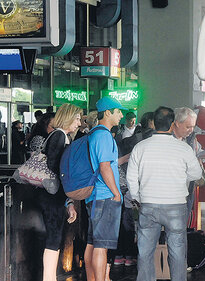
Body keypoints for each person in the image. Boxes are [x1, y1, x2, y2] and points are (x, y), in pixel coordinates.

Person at [127, 106, 203, 281]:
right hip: (176, 205)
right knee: (177, 252)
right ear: (172, 125)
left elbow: (132, 176)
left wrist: (137, 197)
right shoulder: (183, 149)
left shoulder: (141, 147)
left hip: (148, 205)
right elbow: (196, 174)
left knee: (145, 252)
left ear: (154, 124)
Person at [37, 103, 81, 281]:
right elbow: (55, 167)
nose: (79, 123)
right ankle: (49, 278)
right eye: (77, 118)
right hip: (52, 196)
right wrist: (69, 199)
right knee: (53, 239)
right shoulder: (60, 136)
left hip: (51, 196)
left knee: (54, 239)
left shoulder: (58, 136)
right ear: (69, 117)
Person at [84, 97, 125, 281]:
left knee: (92, 244)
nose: (121, 115)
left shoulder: (94, 133)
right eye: (118, 111)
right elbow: (105, 166)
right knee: (101, 245)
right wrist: (116, 193)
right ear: (107, 113)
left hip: (94, 196)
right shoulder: (104, 135)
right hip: (105, 196)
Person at [112, 112, 155, 267]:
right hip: (143, 188)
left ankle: (121, 254)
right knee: (141, 224)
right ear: (151, 123)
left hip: (125, 186)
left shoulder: (127, 140)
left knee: (125, 222)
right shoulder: (151, 141)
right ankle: (136, 256)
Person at [172, 107, 205, 219]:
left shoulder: (191, 140)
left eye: (193, 126)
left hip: (187, 191)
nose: (191, 130)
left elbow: (201, 153)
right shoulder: (166, 140)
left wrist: (202, 157)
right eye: (188, 127)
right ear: (177, 124)